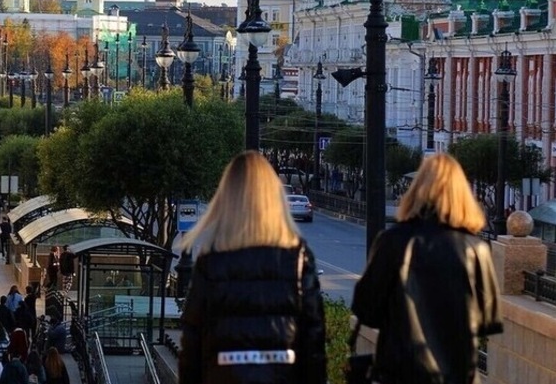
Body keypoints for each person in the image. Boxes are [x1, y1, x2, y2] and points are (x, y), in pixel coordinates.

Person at [352, 153, 503, 384]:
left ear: (416, 191)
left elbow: (366, 310)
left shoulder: (392, 241)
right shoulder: (476, 249)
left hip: (399, 374)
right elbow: (487, 322)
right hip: (456, 376)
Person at [178, 151, 326, 384]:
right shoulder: (297, 260)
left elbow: (191, 347)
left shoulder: (211, 261)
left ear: (227, 200)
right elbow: (313, 346)